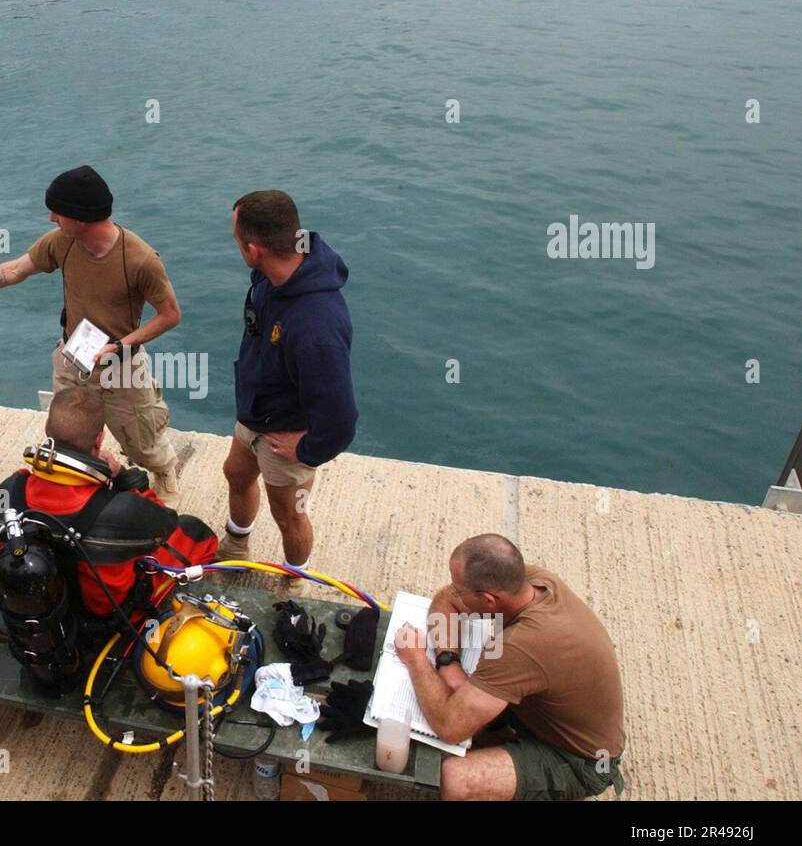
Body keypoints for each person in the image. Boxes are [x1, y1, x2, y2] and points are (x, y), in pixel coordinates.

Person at [0, 166, 184, 505]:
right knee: (68, 438)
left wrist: (120, 345)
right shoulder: (62, 243)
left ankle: (164, 470)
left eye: (58, 211)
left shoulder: (141, 260)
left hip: (121, 365)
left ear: (81, 218)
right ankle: (87, 479)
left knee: (143, 444)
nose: (51, 218)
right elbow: (14, 270)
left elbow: (170, 315)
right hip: (73, 356)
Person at [392, 534, 627, 801]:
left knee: (456, 779)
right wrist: (448, 661)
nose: (453, 590)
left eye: (461, 589)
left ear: (489, 600)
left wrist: (415, 659)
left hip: (586, 761)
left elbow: (449, 726)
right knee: (476, 715)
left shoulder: (520, 648)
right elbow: (446, 600)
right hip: (545, 713)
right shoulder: (534, 581)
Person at [0, 387, 216, 625]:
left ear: (46, 430)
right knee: (195, 532)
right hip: (104, 619)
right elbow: (165, 523)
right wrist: (125, 479)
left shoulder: (10, 489)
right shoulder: (123, 509)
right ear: (100, 439)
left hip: (38, 607)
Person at [219, 190, 357, 569]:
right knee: (235, 472)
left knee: (289, 516)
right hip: (254, 412)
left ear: (254, 249)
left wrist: (308, 450)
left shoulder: (317, 325)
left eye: (236, 239)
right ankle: (236, 543)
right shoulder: (270, 277)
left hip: (283, 433)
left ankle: (296, 577)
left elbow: (342, 418)